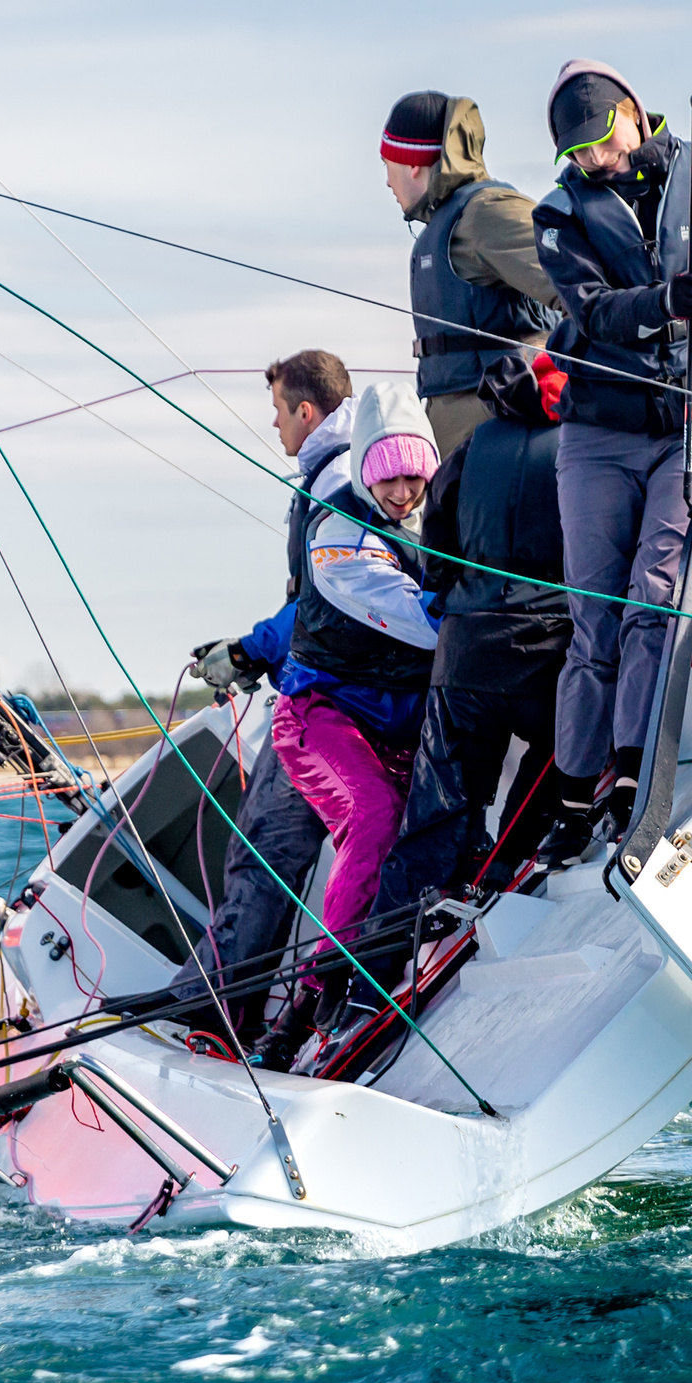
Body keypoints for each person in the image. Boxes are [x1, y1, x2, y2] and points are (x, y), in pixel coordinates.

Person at [530, 60, 692, 864]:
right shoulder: (560, 214)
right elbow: (594, 311)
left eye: (599, 142)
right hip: (599, 437)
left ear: (631, 116)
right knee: (593, 616)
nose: (591, 162)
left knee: (655, 595)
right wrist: (661, 304)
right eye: (575, 154)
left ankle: (637, 783)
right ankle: (576, 797)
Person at [354, 349, 573, 1001]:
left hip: (464, 659)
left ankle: (363, 985)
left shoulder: (471, 447)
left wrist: (458, 598)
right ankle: (500, 867)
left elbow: (436, 555)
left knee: (432, 820)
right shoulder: (581, 449)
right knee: (565, 753)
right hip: (545, 659)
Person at [172, 349, 354, 1051]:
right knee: (274, 855)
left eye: (278, 411)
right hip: (335, 693)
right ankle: (232, 1007)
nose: (273, 424)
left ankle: (212, 1012)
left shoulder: (334, 486)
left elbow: (322, 604)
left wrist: (248, 653)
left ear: (306, 412)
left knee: (263, 853)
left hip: (326, 703)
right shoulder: (355, 470)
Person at [267, 380, 440, 1037]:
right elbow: (421, 621)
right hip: (322, 714)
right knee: (374, 812)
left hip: (401, 716)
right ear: (365, 469)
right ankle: (317, 987)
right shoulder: (337, 531)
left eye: (414, 478)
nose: (401, 494)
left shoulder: (434, 513)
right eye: (387, 479)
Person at [381, 91, 562, 458]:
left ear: (411, 164)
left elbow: (579, 289)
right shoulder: (446, 225)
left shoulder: (485, 213)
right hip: (459, 434)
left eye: (387, 164)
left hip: (501, 432)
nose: (387, 181)